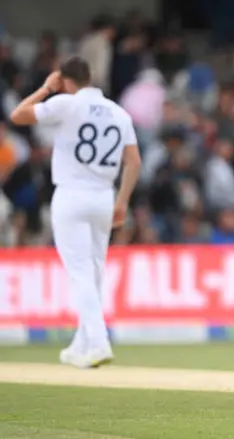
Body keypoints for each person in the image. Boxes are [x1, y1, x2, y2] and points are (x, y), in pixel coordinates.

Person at [10, 56, 141, 368]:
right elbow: (133, 162)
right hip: (104, 197)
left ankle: (98, 341)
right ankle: (81, 343)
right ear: (90, 77)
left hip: (71, 194)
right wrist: (122, 201)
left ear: (64, 80)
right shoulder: (118, 112)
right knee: (94, 270)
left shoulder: (66, 104)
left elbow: (18, 115)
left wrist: (45, 88)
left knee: (81, 272)